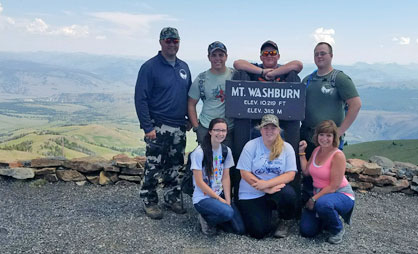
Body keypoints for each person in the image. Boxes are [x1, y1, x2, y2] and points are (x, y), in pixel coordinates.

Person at [232, 40, 303, 203]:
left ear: (278, 56)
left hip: (280, 125)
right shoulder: (255, 68)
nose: (269, 56)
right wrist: (263, 72)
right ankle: (253, 189)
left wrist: (275, 73)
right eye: (266, 53)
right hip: (258, 125)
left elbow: (298, 65)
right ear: (260, 57)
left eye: (273, 53)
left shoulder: (285, 71)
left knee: (282, 154)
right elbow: (237, 63)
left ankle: (279, 190)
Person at [134, 27, 192, 220]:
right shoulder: (149, 67)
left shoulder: (183, 67)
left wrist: (189, 119)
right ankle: (149, 200)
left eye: (175, 40)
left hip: (179, 126)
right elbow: (140, 98)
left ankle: (171, 197)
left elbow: (187, 96)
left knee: (174, 165)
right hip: (158, 126)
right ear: (160, 42)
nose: (172, 44)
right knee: (153, 165)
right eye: (168, 40)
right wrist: (148, 127)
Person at [300, 42, 361, 204]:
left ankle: (327, 208)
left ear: (331, 56)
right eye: (316, 54)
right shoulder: (308, 80)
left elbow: (356, 104)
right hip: (307, 135)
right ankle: (308, 208)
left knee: (329, 176)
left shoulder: (339, 78)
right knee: (309, 175)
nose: (319, 57)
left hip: (329, 139)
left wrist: (339, 132)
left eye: (323, 53)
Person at [236, 114, 297, 239]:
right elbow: (244, 173)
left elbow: (290, 174)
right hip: (252, 192)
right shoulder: (251, 145)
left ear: (278, 130)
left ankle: (285, 221)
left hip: (274, 189)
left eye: (273, 128)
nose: (269, 131)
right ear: (260, 129)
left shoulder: (287, 148)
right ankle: (264, 213)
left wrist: (267, 185)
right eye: (266, 128)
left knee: (288, 195)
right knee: (258, 232)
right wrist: (264, 188)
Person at [298, 120, 355, 244]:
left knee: (323, 204)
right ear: (317, 136)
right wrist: (302, 152)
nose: (324, 138)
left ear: (334, 137)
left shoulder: (337, 155)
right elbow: (307, 172)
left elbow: (334, 186)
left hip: (340, 194)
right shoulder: (316, 150)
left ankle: (338, 230)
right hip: (321, 195)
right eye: (321, 135)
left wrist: (313, 199)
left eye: (329, 135)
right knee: (307, 231)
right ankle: (326, 219)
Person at [190, 118, 245, 236]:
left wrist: (228, 200)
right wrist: (220, 200)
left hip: (219, 193)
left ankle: (215, 215)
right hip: (203, 198)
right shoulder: (199, 152)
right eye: (217, 130)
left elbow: (226, 177)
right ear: (210, 131)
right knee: (228, 213)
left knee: (239, 229)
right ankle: (206, 218)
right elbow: (199, 182)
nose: (220, 134)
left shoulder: (226, 151)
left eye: (223, 131)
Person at [188, 41, 235, 147]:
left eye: (221, 55)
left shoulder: (234, 76)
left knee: (228, 162)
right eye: (213, 55)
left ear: (226, 57)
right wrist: (197, 128)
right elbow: (191, 104)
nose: (217, 58)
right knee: (207, 161)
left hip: (229, 129)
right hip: (206, 128)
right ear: (209, 57)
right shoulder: (201, 79)